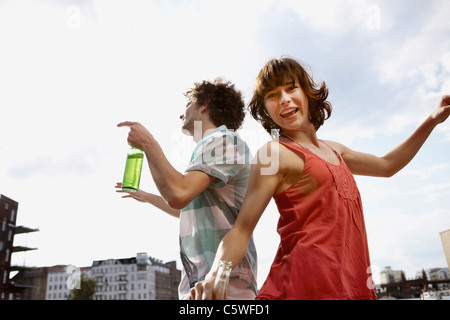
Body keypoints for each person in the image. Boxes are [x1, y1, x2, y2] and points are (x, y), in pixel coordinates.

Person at [190, 57, 450, 300]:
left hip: (354, 286)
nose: (283, 99)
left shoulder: (337, 150)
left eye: (291, 88)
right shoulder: (274, 153)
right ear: (265, 109)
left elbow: (387, 165)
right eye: (272, 95)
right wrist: (215, 274)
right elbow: (242, 229)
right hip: (301, 287)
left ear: (306, 92)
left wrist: (432, 120)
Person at [116, 78, 257, 300]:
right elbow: (187, 208)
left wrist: (148, 143)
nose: (181, 115)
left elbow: (178, 193)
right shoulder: (210, 151)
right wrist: (147, 197)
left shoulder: (223, 140)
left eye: (188, 104)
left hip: (224, 284)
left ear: (204, 104)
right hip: (204, 284)